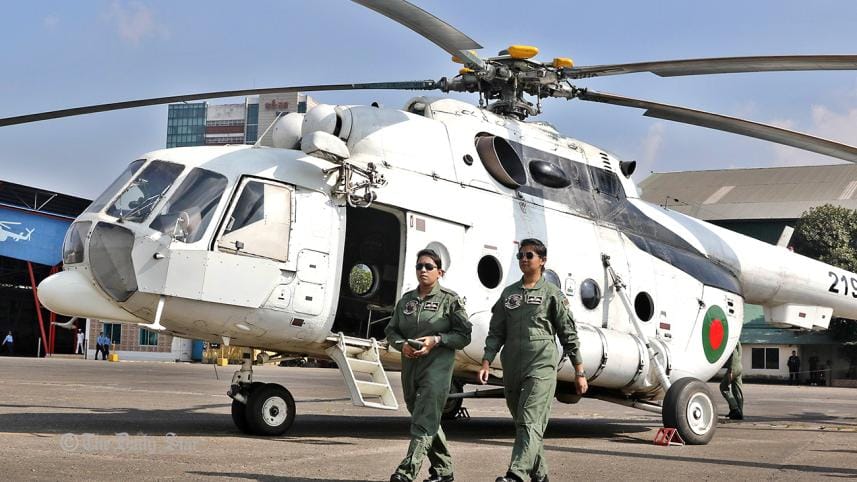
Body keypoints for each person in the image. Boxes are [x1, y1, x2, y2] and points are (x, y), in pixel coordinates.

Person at [478, 238, 587, 482]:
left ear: (542, 260)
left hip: (541, 365)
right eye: (520, 256)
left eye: (529, 255)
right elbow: (496, 331)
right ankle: (541, 476)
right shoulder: (509, 294)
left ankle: (516, 474)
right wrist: (486, 361)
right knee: (525, 424)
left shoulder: (552, 294)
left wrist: (579, 371)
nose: (524, 260)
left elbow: (569, 334)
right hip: (513, 366)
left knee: (529, 419)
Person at [385, 248, 472, 482]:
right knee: (423, 416)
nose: (423, 270)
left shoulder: (450, 300)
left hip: (437, 370)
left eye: (428, 267)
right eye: (419, 266)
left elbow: (464, 335)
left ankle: (406, 472)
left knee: (424, 420)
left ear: (439, 272)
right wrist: (400, 344)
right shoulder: (407, 301)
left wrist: (437, 340)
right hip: (411, 368)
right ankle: (444, 471)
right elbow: (391, 330)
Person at [720, 342, 744, 420]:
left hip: (734, 367)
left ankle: (735, 409)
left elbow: (733, 355)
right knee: (737, 390)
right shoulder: (738, 342)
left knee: (723, 387)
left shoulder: (732, 341)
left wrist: (731, 370)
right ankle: (739, 412)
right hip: (739, 366)